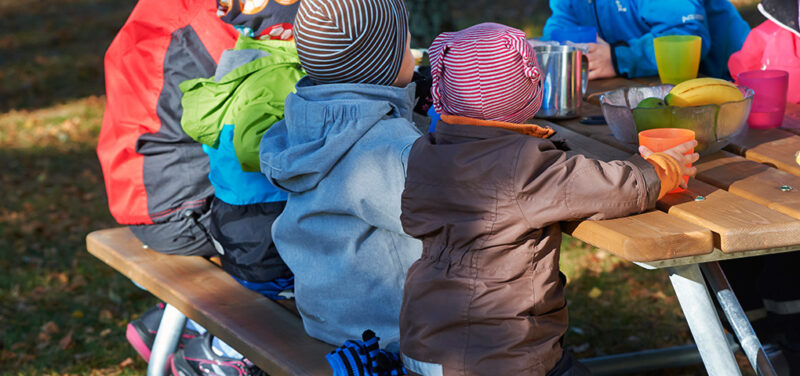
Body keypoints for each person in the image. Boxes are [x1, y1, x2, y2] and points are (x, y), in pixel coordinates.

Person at [397, 22, 698, 376]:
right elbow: (613, 188)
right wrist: (662, 168)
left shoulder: (426, 152)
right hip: (501, 358)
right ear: (530, 89)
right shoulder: (524, 166)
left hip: (423, 342)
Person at [258, 0, 423, 350]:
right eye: (407, 46)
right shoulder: (387, 145)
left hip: (325, 316)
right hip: (391, 330)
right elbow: (446, 209)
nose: (413, 55)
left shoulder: (303, 121)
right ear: (381, 63)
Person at [542, 0, 751, 80]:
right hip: (648, 85)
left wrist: (617, 58)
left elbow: (685, 38)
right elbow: (561, 24)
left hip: (730, 80)